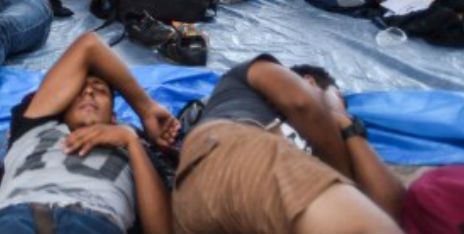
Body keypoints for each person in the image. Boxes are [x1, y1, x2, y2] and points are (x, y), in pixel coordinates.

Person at [172, 55, 404, 234]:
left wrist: (347, 125)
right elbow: (302, 102)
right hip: (230, 152)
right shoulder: (246, 78)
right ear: (309, 81)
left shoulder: (338, 135)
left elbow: (393, 210)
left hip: (202, 206)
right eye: (339, 97)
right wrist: (328, 105)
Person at [0, 32, 179, 234]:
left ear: (114, 117)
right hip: (14, 217)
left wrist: (130, 139)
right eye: (79, 91)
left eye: (100, 90)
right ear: (62, 105)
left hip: (93, 219)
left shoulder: (133, 151)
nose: (89, 92)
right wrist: (146, 108)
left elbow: (160, 229)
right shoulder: (34, 125)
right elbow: (88, 45)